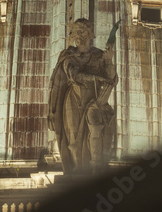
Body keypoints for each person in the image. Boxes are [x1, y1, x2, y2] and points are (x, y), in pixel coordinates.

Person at [48, 18, 118, 172]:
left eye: (81, 31)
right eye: (75, 32)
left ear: (90, 33)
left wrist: (108, 61)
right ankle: (76, 173)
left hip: (94, 100)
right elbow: (74, 75)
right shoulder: (68, 56)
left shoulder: (99, 55)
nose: (77, 35)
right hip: (73, 99)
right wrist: (96, 78)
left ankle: (91, 171)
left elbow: (112, 79)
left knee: (94, 134)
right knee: (73, 139)